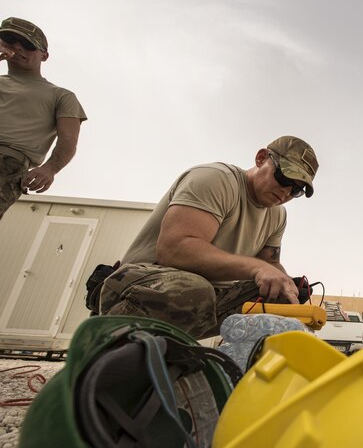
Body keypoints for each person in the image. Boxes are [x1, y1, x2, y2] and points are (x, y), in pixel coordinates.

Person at [99, 136, 319, 339]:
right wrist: (258, 269)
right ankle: (109, 342)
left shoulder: (278, 215)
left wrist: (293, 293)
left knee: (281, 299)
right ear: (261, 158)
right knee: (196, 291)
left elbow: (268, 263)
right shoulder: (217, 180)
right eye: (283, 177)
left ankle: (235, 372)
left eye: (297, 190)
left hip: (207, 297)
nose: (286, 192)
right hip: (143, 283)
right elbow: (174, 248)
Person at [0, 17, 87, 219]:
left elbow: (68, 141)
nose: (18, 47)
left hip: (6, 164)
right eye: (10, 39)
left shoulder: (61, 96)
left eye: (28, 45)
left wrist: (50, 169)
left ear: (44, 55)